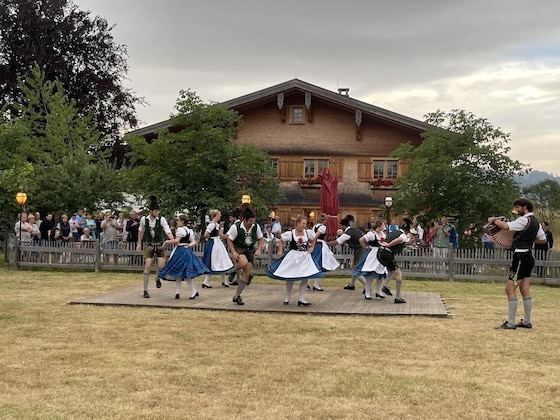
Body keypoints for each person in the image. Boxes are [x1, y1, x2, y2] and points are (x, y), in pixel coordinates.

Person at [492, 198, 546, 330]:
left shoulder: (524, 220)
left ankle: (510, 323)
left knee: (510, 289)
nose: (516, 210)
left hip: (520, 257)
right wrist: (527, 239)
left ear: (525, 207)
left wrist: (494, 220)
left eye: (517, 207)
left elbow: (506, 226)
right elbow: (543, 240)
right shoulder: (536, 222)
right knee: (524, 289)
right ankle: (526, 321)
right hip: (529, 256)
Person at [267, 215, 320, 306]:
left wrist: (312, 247)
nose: (304, 225)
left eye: (305, 224)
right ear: (297, 223)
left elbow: (314, 238)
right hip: (293, 256)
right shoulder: (291, 233)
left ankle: (301, 298)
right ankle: (287, 297)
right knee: (290, 276)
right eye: (303, 223)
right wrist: (280, 250)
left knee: (306, 276)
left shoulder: (307, 233)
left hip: (305, 256)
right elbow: (281, 240)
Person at [158, 214, 208, 299]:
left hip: (180, 251)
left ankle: (193, 291)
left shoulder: (180, 230)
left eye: (178, 220)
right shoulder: (189, 230)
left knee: (184, 273)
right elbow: (193, 242)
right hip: (186, 251)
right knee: (179, 273)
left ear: (182, 221)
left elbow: (177, 241)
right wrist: (188, 246)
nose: (177, 222)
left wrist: (167, 241)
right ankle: (177, 292)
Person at [137, 196, 174, 298]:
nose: (157, 213)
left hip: (159, 245)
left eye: (158, 211)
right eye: (156, 211)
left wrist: (173, 239)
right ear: (151, 211)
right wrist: (139, 243)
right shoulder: (144, 219)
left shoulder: (161, 220)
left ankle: (157, 278)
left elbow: (167, 231)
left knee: (161, 266)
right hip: (149, 245)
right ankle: (145, 290)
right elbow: (141, 231)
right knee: (147, 265)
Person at [226, 207, 264, 305]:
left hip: (250, 249)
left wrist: (259, 249)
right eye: (250, 221)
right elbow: (229, 240)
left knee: (247, 272)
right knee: (243, 262)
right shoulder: (236, 227)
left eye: (253, 220)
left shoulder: (256, 227)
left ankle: (237, 295)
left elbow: (260, 238)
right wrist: (233, 252)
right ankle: (233, 271)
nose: (252, 222)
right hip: (239, 247)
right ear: (245, 219)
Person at [326, 217, 366, 290]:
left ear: (344, 226)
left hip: (359, 251)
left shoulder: (348, 233)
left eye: (341, 226)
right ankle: (352, 285)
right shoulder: (357, 230)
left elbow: (335, 242)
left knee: (356, 269)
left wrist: (325, 243)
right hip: (362, 250)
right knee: (354, 267)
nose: (340, 228)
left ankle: (367, 286)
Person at [353, 218, 387, 300]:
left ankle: (379, 292)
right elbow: (361, 240)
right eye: (383, 225)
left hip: (380, 254)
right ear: (379, 225)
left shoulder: (382, 234)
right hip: (372, 254)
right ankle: (367, 293)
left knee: (381, 274)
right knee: (370, 274)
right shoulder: (372, 234)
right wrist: (365, 248)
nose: (384, 226)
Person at [201, 209, 234, 288]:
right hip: (213, 244)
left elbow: (220, 235)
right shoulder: (211, 225)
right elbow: (205, 234)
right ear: (216, 215)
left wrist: (227, 236)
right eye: (219, 215)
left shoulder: (216, 225)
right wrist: (212, 238)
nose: (220, 216)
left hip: (217, 243)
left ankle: (224, 281)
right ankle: (206, 281)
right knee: (213, 261)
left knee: (221, 260)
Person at [378, 224, 409, 304]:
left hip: (380, 253)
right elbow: (399, 240)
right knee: (398, 274)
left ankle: (386, 286)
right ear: (407, 231)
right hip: (387, 253)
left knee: (391, 270)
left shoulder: (393, 232)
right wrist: (389, 245)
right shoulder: (403, 235)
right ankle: (398, 297)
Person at [309, 213, 340, 290]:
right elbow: (315, 236)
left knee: (314, 263)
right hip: (320, 245)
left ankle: (308, 282)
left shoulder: (314, 226)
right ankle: (315, 284)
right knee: (319, 263)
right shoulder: (322, 227)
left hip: (315, 244)